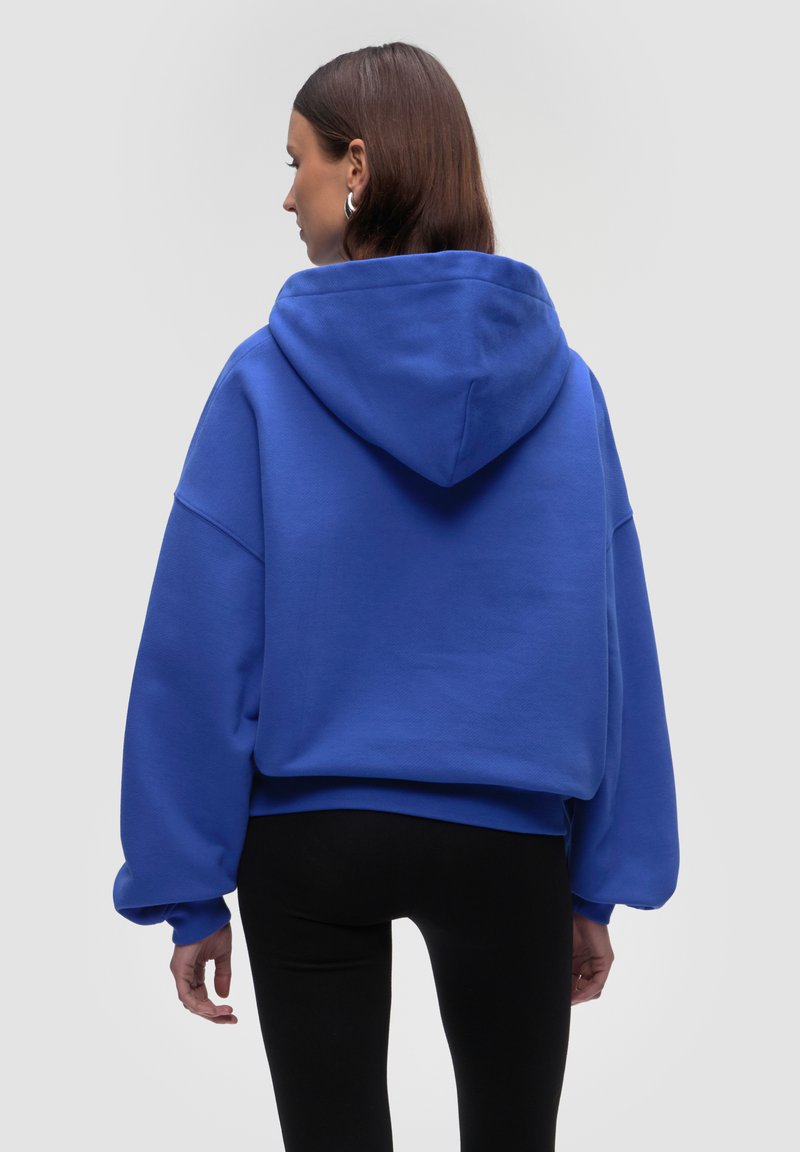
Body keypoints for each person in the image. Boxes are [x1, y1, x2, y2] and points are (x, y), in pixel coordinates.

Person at [112, 41, 679, 1152]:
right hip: (509, 843)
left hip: (309, 839)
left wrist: (187, 889)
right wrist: (597, 883)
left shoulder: (263, 379)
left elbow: (200, 641)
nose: (288, 194)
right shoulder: (567, 392)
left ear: (358, 166)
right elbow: (612, 641)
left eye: (299, 162)